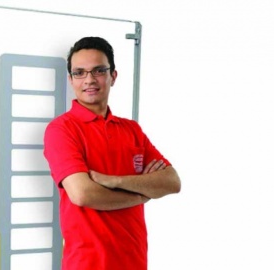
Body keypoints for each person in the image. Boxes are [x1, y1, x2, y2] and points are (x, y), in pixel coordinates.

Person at [43, 36, 181, 270]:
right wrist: (140, 195)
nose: (89, 80)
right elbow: (83, 194)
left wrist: (113, 181)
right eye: (80, 72)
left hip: (134, 260)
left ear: (112, 76)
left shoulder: (131, 130)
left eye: (98, 71)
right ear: (71, 80)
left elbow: (172, 181)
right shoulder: (61, 129)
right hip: (88, 264)